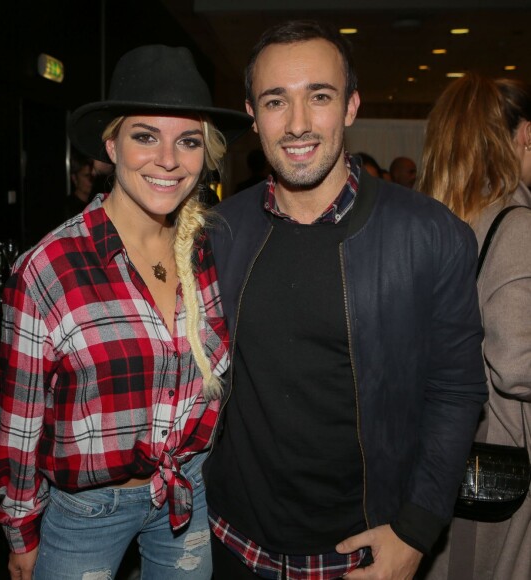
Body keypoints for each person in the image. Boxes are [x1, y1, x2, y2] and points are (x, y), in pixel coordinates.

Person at [203, 19, 488, 580]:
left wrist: (417, 530)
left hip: (365, 557)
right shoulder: (218, 232)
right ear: (253, 115)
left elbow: (457, 391)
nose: (299, 124)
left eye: (320, 97)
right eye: (276, 102)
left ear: (352, 106)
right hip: (230, 545)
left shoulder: (431, 235)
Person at [0, 44, 252, 580]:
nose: (168, 159)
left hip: (187, 490)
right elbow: (19, 422)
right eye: (144, 136)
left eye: (188, 141)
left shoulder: (212, 251)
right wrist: (20, 530)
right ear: (111, 144)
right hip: (87, 513)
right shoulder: (49, 268)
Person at [416, 73, 531, 580]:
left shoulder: (423, 221)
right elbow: (516, 364)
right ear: (524, 135)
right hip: (496, 457)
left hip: (430, 451)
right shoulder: (515, 224)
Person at [66, 150, 95, 218]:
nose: (91, 180)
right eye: (86, 175)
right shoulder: (68, 208)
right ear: (74, 178)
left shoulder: (95, 203)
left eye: (93, 176)